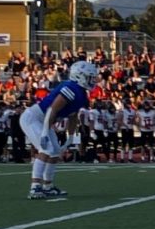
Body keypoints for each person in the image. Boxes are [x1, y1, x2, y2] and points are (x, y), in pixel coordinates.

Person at [19, 61, 98, 198]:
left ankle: (48, 186)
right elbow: (52, 109)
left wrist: (71, 136)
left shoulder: (81, 93)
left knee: (55, 151)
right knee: (47, 149)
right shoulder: (71, 87)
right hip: (33, 118)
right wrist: (44, 132)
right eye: (90, 77)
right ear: (80, 76)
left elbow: (73, 115)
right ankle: (35, 187)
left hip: (45, 120)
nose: (93, 80)